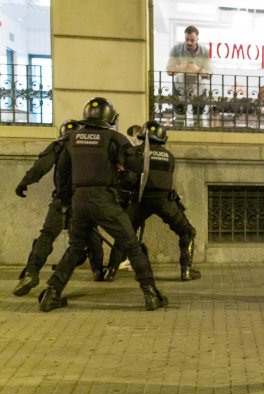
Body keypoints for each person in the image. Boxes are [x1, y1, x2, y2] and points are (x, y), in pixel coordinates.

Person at [38, 97, 168, 312]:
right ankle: (151, 294)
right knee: (131, 245)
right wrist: (123, 165)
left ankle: (51, 293)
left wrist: (65, 202)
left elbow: (61, 175)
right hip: (104, 199)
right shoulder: (114, 138)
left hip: (79, 200)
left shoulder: (71, 138)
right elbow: (137, 167)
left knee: (75, 248)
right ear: (108, 117)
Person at [13, 120, 105, 296]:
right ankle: (97, 270)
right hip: (84, 200)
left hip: (61, 200)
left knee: (47, 235)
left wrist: (24, 183)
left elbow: (41, 166)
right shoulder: (90, 146)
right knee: (90, 234)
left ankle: (31, 272)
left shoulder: (58, 145)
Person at [103, 120, 201, 282]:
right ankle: (186, 271)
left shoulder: (134, 153)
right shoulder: (169, 157)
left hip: (140, 201)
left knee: (124, 234)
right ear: (162, 138)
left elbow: (126, 176)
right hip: (164, 201)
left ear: (142, 136)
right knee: (187, 232)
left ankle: (110, 272)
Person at [166, 25, 211, 118]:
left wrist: (196, 69)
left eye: (192, 40)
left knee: (198, 119)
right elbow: (169, 71)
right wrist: (183, 67)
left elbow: (209, 75)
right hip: (179, 87)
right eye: (187, 39)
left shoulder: (205, 51)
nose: (189, 42)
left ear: (197, 39)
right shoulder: (176, 49)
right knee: (179, 119)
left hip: (199, 89)